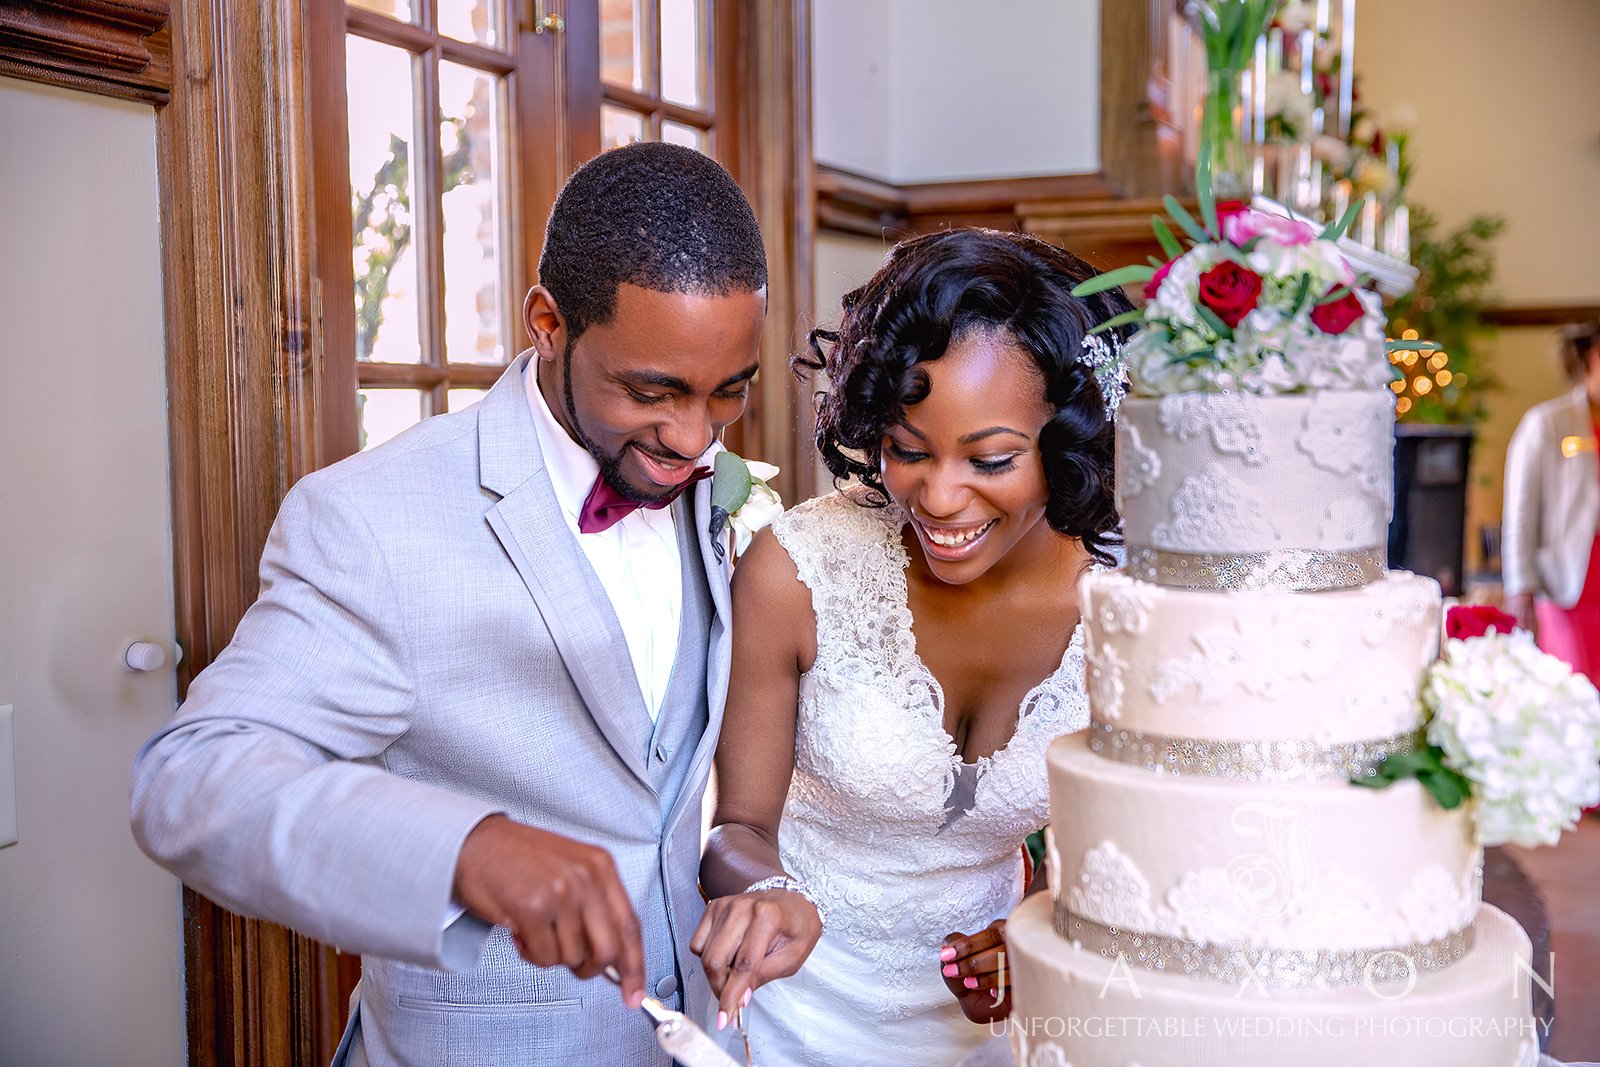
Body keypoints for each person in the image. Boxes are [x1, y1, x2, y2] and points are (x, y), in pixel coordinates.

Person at [130, 142, 768, 1066]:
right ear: (548, 322)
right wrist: (471, 849)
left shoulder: (710, 489)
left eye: (729, 395)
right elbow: (190, 781)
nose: (694, 439)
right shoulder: (370, 520)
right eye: (651, 391)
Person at [691, 229, 1136, 1065]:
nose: (938, 497)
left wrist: (1035, 939)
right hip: (794, 1016)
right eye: (907, 450)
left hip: (993, 1035)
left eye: (992, 458)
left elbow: (1131, 857)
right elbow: (736, 826)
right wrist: (768, 891)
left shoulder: (1127, 611)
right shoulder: (796, 572)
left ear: (1068, 438)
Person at [1504, 320, 1600, 685]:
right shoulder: (1547, 423)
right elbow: (1520, 511)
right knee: (1575, 688)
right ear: (1592, 357)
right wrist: (1519, 584)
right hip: (1569, 582)